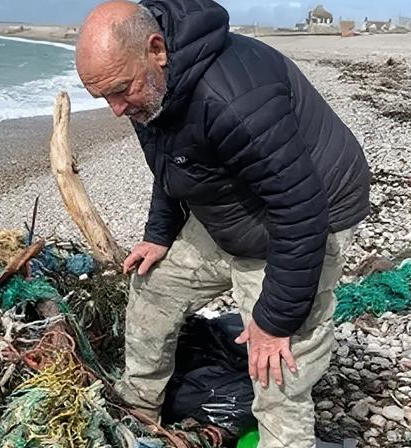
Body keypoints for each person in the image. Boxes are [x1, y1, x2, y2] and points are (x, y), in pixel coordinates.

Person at [75, 0, 371, 447]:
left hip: (311, 213)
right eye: (104, 97)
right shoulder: (147, 93)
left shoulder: (233, 99)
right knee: (151, 286)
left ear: (157, 49)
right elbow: (172, 165)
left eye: (120, 90)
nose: (116, 108)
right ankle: (140, 408)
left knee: (276, 367)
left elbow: (301, 211)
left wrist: (275, 321)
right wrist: (159, 235)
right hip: (235, 207)